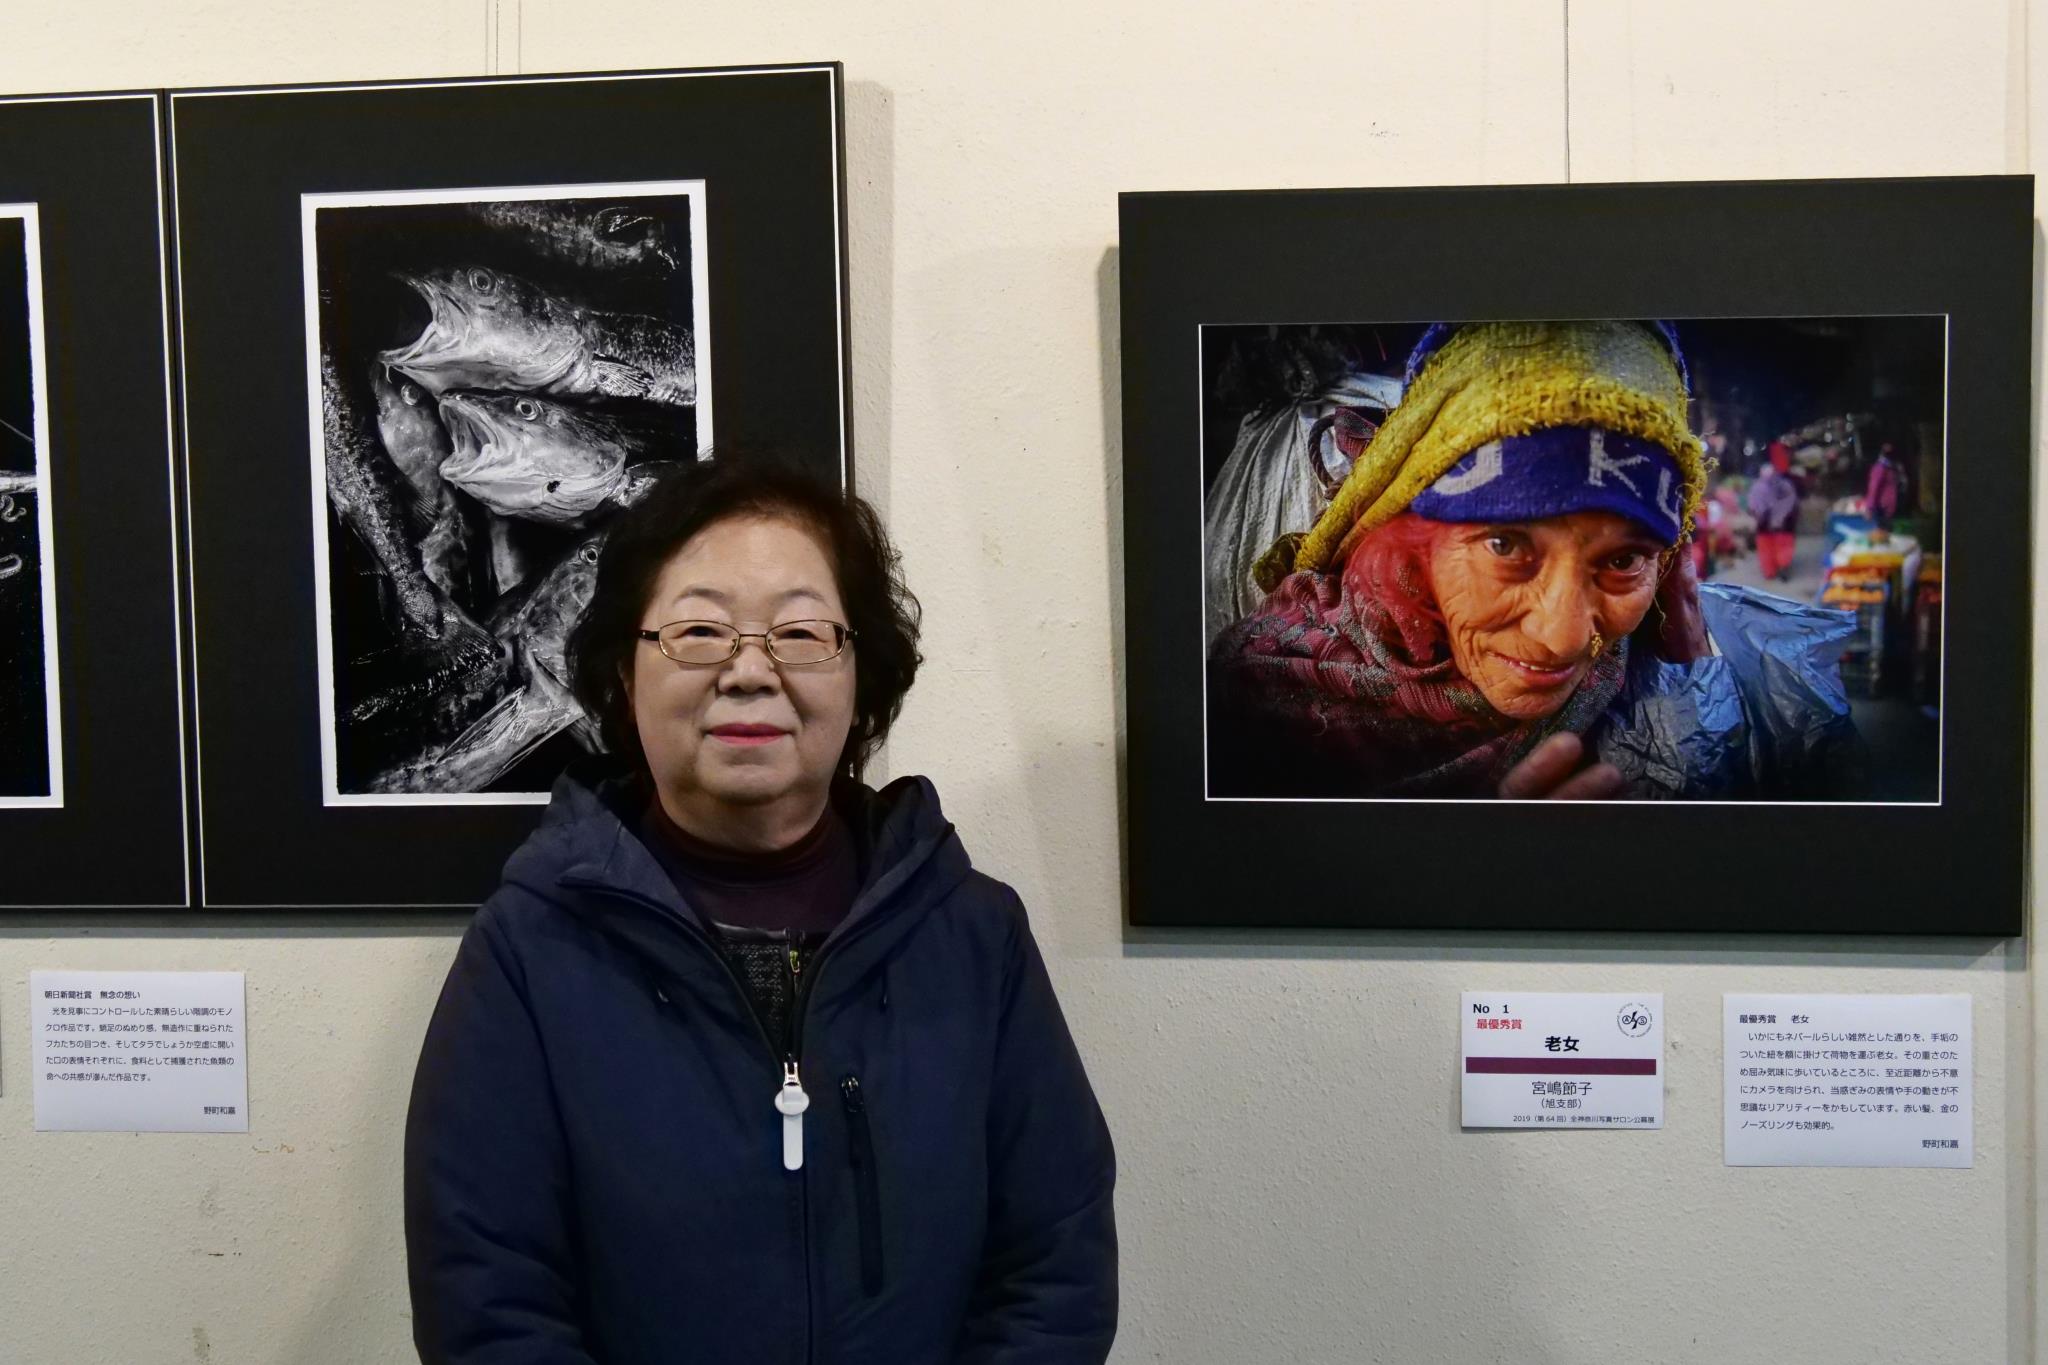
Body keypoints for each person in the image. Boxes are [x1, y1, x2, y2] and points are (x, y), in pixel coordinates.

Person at [404, 456, 1118, 1364]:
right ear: (625, 673)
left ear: (861, 675)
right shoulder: (528, 951)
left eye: (799, 632)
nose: (749, 670)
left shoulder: (974, 936)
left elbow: (1055, 1268)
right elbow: (489, 1306)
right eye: (700, 630)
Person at [1209, 320, 1858, 800]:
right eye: (1506, 546)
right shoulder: (1256, 705)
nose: (1562, 638)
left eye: (1623, 560)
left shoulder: (1674, 669)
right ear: (1415, 534)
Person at [1748, 447, 1801, 582]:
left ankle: (1770, 571)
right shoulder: (1785, 485)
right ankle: (1782, 568)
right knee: (1782, 545)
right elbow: (1792, 503)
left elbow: (1753, 506)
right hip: (1783, 523)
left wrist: (1759, 516)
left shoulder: (1757, 487)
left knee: (1766, 547)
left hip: (1765, 523)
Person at [1866, 440, 1905, 528]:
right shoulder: (1880, 467)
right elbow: (1874, 488)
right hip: (1883, 507)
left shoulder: (1895, 467)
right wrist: (1870, 508)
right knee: (1884, 531)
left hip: (1893, 506)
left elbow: (1901, 483)